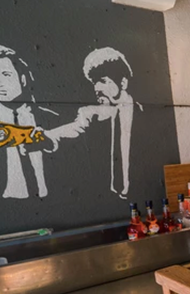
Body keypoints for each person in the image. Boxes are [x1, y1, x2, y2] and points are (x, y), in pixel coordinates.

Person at [47, 47, 140, 199]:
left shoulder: (144, 114)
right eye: (94, 82)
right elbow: (75, 128)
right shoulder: (91, 113)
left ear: (123, 83)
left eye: (103, 81)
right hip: (105, 199)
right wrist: (47, 137)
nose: (97, 88)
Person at [0, 46, 57, 199]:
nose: (0, 83)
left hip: (51, 201)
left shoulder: (48, 117)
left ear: (23, 79)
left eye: (6, 74)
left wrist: (48, 142)